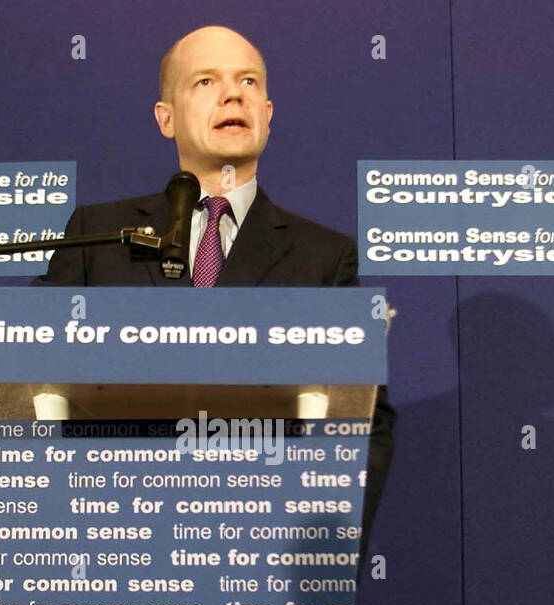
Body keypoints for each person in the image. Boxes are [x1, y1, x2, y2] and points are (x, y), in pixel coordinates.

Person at [32, 24, 395, 558]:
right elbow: (33, 369)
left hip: (261, 554)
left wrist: (319, 555)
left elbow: (366, 421)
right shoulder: (98, 236)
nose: (233, 93)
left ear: (267, 114)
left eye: (248, 81)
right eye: (206, 81)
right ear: (166, 118)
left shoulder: (324, 257)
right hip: (114, 547)